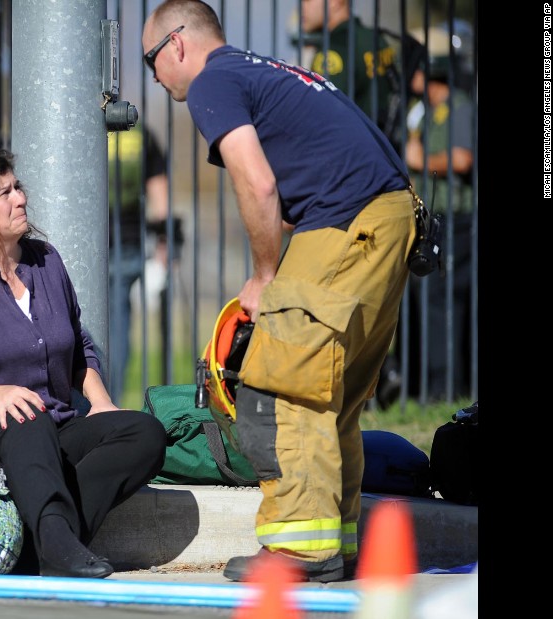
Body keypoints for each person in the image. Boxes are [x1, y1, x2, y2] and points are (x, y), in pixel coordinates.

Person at [143, 0, 416, 583]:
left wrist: (266, 277)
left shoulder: (212, 82)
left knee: (281, 378)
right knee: (329, 391)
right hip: (386, 218)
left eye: (150, 61)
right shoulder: (263, 69)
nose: (155, 77)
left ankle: (300, 550)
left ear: (178, 46)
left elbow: (258, 182)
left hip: (349, 220)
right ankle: (336, 541)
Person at [0, 149, 166, 579]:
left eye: (17, 187)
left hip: (53, 423)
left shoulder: (46, 261)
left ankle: (49, 545)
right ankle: (60, 547)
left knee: (143, 432)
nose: (20, 198)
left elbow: (78, 343)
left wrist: (99, 401)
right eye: (3, 193)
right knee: (26, 414)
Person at [403, 26, 474, 402]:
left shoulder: (459, 106)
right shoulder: (424, 112)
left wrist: (422, 161)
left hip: (456, 222)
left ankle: (444, 391)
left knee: (443, 302)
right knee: (429, 302)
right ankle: (431, 387)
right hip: (432, 221)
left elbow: (463, 158)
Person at [106, 123, 172, 405]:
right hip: (127, 240)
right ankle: (110, 399)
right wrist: (164, 241)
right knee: (117, 328)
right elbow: (158, 187)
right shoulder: (139, 132)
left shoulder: (76, 122)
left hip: (81, 238)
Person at [293, 0, 405, 155]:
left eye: (308, 0)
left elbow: (322, 114)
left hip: (350, 157)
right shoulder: (375, 38)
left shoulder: (334, 48)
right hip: (385, 154)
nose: (301, 7)